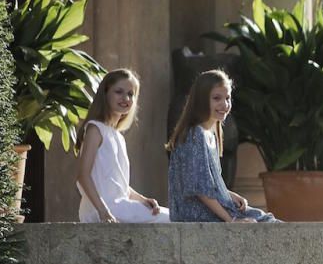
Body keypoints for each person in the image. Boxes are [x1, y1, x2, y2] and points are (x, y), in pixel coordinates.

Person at [166, 69, 277, 223]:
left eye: (228, 98)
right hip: (195, 214)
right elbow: (200, 190)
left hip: (213, 210)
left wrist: (230, 195)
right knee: (266, 223)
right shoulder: (194, 135)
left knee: (266, 219)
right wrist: (231, 220)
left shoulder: (210, 135)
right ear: (201, 100)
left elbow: (210, 186)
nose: (224, 104)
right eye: (217, 98)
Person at [76, 69, 169, 223]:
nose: (125, 98)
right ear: (105, 94)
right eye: (119, 92)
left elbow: (119, 186)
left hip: (118, 207)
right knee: (172, 219)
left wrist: (143, 200)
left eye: (130, 94)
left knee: (173, 217)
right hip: (102, 210)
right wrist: (103, 211)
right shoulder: (95, 129)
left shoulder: (117, 135)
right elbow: (83, 176)